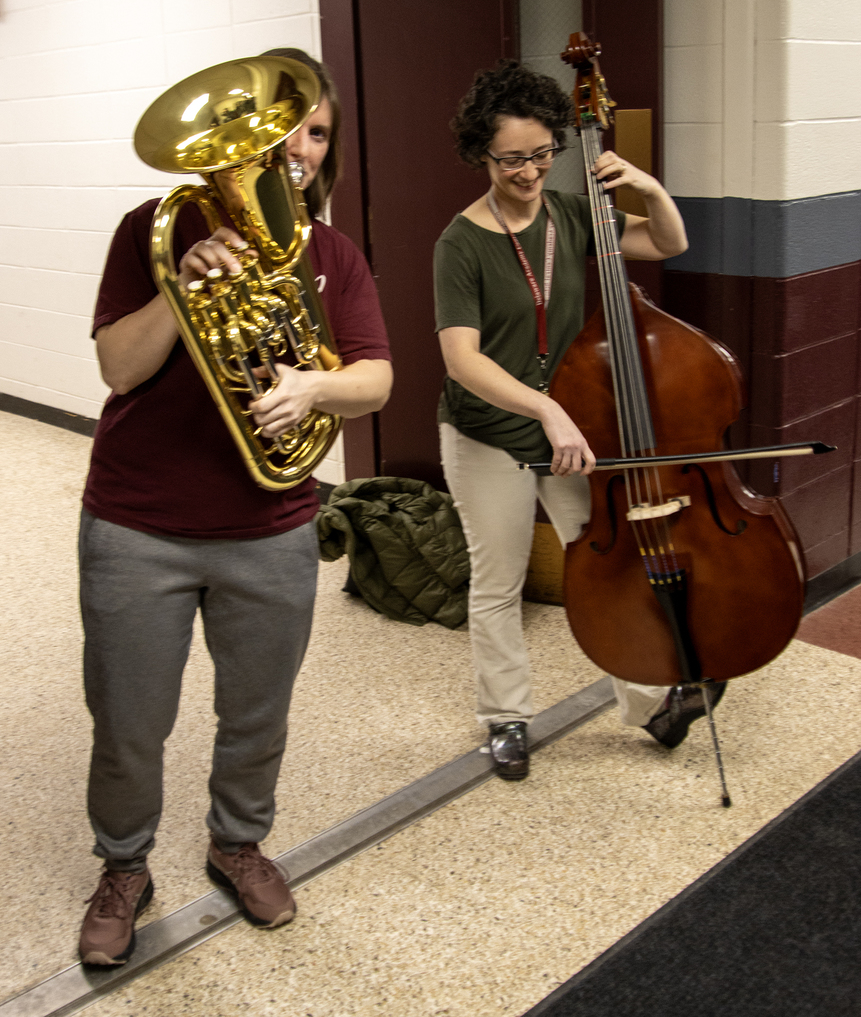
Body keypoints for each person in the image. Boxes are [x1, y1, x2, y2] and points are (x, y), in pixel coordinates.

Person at [77, 48, 392, 965]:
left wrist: (313, 389)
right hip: (138, 524)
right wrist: (183, 288)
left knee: (257, 712)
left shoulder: (331, 253)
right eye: (282, 129)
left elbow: (374, 377)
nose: (295, 146)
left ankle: (237, 843)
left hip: (272, 525)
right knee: (129, 719)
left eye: (316, 131)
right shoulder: (152, 228)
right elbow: (119, 368)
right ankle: (124, 867)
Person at [435, 60, 723, 781]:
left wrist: (649, 189)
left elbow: (667, 243)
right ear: (480, 154)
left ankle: (654, 702)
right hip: (488, 432)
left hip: (567, 428)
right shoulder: (459, 244)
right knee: (498, 577)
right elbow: (462, 361)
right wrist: (544, 408)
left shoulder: (573, 215)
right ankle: (505, 718)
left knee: (607, 563)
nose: (529, 171)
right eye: (511, 159)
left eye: (540, 154)